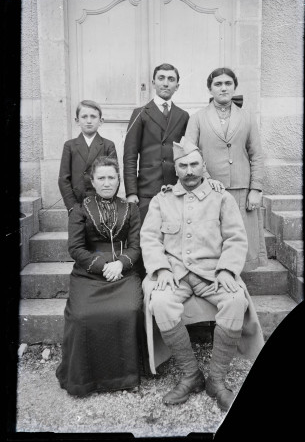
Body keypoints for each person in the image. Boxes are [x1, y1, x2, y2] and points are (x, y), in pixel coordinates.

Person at [140, 137, 264, 411]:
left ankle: (216, 380)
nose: (189, 171)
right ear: (176, 169)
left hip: (213, 273)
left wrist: (229, 270)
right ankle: (191, 375)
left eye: (194, 164)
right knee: (159, 302)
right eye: (183, 165)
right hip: (175, 273)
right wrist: (160, 268)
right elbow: (149, 238)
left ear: (204, 166)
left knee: (235, 301)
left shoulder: (222, 198)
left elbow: (235, 238)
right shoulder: (162, 200)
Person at [56, 156, 143, 396]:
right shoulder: (80, 209)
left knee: (128, 310)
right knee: (82, 315)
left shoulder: (131, 208)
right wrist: (103, 264)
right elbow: (75, 248)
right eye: (101, 178)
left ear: (118, 181)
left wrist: (121, 264)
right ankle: (84, 380)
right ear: (92, 181)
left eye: (111, 177)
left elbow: (136, 246)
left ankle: (124, 376)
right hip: (89, 272)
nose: (107, 183)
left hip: (124, 272)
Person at [185, 68, 268, 271]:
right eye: (218, 84)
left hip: (241, 188)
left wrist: (255, 189)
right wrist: (204, 178)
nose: (223, 88)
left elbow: (256, 154)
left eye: (228, 83)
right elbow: (189, 152)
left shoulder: (247, 117)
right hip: (209, 189)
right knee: (212, 239)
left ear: (234, 87)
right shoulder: (197, 118)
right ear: (210, 89)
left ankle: (239, 286)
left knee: (241, 239)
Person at [123, 63, 189, 223]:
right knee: (146, 239)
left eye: (171, 79)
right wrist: (131, 192)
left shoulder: (183, 116)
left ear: (177, 86)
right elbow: (130, 156)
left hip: (175, 188)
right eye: (161, 78)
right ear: (153, 83)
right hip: (147, 190)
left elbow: (187, 154)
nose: (166, 83)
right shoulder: (140, 113)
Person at [58, 100, 117, 215]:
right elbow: (63, 179)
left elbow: (114, 177)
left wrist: (107, 201)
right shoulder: (70, 146)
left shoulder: (108, 145)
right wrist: (72, 207)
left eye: (93, 117)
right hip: (77, 204)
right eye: (84, 117)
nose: (89, 121)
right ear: (77, 121)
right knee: (78, 232)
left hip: (102, 204)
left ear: (101, 121)